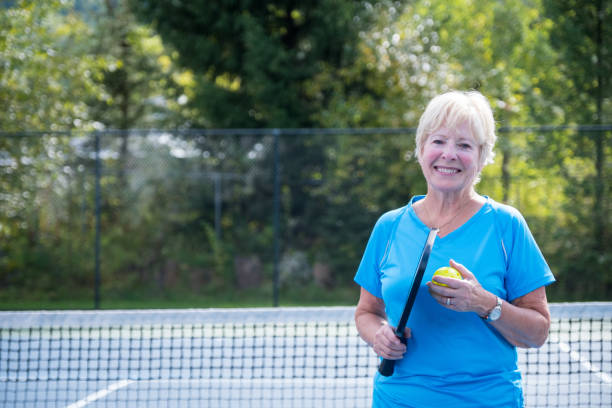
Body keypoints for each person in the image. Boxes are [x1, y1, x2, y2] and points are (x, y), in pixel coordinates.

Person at [354, 90, 555, 407]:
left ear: (482, 156)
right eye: (438, 141)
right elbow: (367, 312)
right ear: (421, 149)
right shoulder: (389, 227)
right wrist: (377, 334)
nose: (449, 154)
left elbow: (538, 333)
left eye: (464, 145)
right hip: (399, 399)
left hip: (489, 400)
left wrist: (484, 303)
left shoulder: (506, 225)